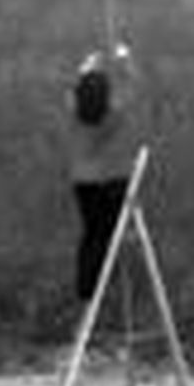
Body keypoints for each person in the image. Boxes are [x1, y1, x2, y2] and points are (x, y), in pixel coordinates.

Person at [68, 42, 139, 301]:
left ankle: (86, 287)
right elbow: (130, 87)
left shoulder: (75, 114)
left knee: (91, 234)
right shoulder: (113, 115)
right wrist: (124, 59)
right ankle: (105, 283)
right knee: (109, 234)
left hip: (82, 183)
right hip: (111, 180)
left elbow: (78, 90)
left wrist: (88, 67)